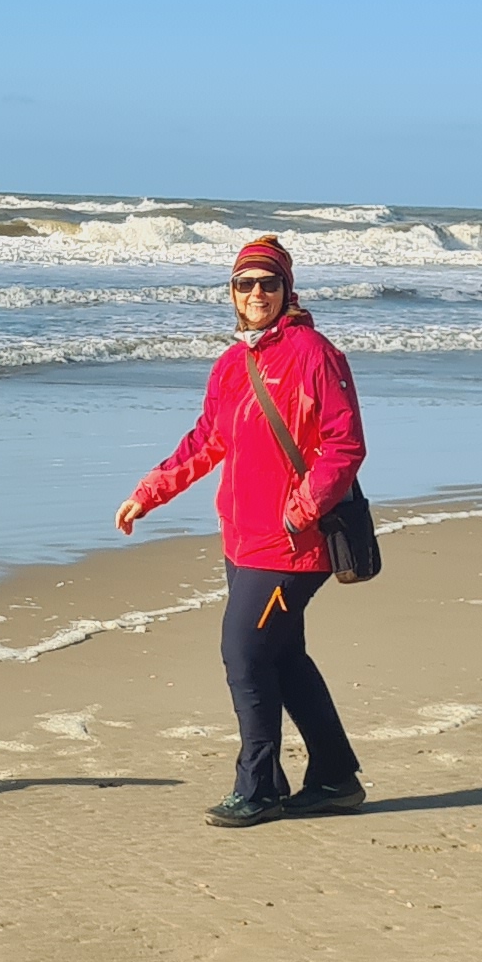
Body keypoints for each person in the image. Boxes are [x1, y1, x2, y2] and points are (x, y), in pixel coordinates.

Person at [114, 234, 368, 827]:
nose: (257, 293)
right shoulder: (233, 364)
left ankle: (257, 788)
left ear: (287, 290)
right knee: (282, 658)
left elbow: (344, 444)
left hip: (290, 545)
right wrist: (147, 493)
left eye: (268, 282)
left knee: (244, 655)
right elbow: (207, 441)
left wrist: (299, 509)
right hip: (241, 539)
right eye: (245, 283)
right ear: (231, 292)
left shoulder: (313, 353)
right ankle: (334, 777)